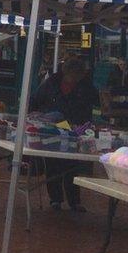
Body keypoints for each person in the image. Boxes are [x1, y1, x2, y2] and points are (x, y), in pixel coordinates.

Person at [30, 57, 99, 212]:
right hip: (53, 130)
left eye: (78, 76)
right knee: (53, 165)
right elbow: (34, 100)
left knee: (72, 166)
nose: (75, 79)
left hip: (75, 131)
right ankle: (55, 199)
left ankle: (74, 201)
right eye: (73, 75)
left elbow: (94, 104)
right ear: (66, 72)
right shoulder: (51, 83)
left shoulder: (86, 87)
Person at [103, 58, 128, 126]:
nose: (122, 66)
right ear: (118, 65)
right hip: (116, 102)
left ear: (127, 65)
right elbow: (109, 87)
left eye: (124, 65)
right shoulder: (114, 74)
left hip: (127, 103)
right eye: (121, 64)